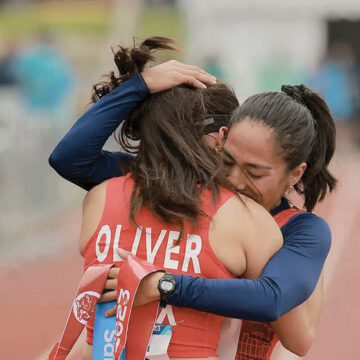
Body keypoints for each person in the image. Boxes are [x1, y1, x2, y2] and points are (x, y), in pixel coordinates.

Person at [49, 37, 335, 358]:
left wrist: (165, 285)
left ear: (295, 174)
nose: (235, 180)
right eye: (226, 161)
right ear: (220, 141)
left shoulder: (300, 230)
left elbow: (292, 328)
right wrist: (140, 86)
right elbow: (70, 158)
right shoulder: (179, 187)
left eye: (255, 172)